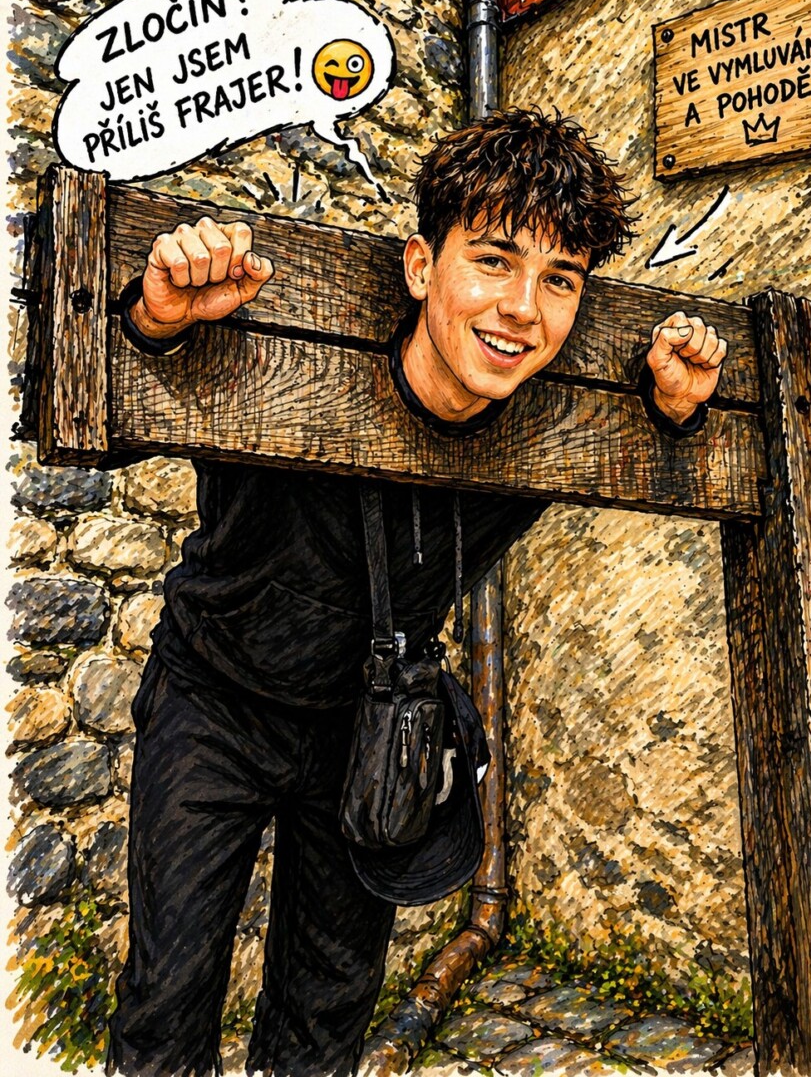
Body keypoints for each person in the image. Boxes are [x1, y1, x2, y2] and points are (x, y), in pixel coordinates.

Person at [106, 109, 727, 1077]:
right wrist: (153, 321)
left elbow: (666, 443)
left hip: (369, 730)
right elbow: (114, 390)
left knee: (327, 1013)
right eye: (492, 261)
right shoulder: (283, 372)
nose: (521, 309)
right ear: (418, 267)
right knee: (166, 1001)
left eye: (559, 280)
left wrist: (673, 412)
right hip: (213, 697)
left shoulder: (543, 425)